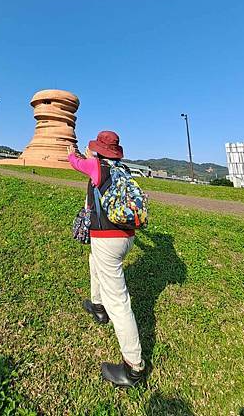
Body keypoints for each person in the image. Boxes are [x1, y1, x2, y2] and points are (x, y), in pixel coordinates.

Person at [67, 130, 144, 388]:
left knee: (119, 301)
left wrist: (72, 153)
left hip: (107, 238)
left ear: (98, 149)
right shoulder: (122, 170)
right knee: (94, 262)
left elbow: (76, 163)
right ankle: (97, 306)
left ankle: (133, 367)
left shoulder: (96, 165)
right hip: (126, 236)